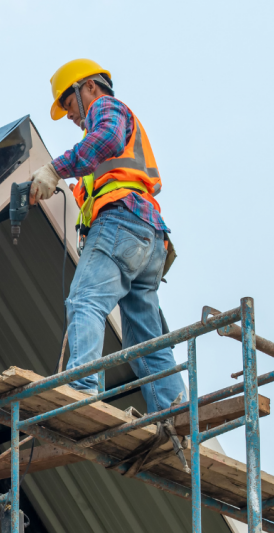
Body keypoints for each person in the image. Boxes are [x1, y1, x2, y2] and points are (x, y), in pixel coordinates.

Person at [29, 58, 185, 414]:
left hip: (122, 224)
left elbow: (106, 139)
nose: (69, 114)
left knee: (85, 300)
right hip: (148, 239)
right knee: (144, 337)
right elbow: (100, 172)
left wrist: (53, 168)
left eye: (68, 103)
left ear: (89, 88)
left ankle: (83, 388)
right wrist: (62, 185)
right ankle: (175, 410)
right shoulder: (103, 157)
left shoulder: (107, 108)